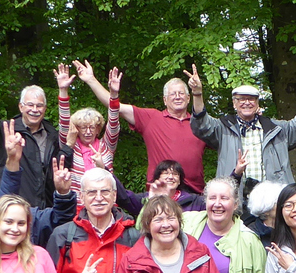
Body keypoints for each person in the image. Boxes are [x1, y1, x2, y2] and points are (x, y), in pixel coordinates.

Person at [75, 61, 208, 196]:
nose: (178, 96)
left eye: (181, 93)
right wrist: (91, 80)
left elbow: (225, 143)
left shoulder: (201, 124)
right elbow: (117, 107)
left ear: (188, 98)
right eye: (173, 94)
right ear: (165, 100)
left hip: (194, 193)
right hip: (159, 191)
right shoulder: (151, 118)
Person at [188, 68, 296, 183]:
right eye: (241, 99)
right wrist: (197, 94)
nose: (246, 102)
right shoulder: (223, 128)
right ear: (234, 103)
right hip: (235, 199)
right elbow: (202, 124)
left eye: (251, 99)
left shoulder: (276, 129)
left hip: (272, 200)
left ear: (257, 103)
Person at [0, 83, 64, 209]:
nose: (34, 110)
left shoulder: (52, 136)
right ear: (21, 107)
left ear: (45, 108)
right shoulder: (6, 130)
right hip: (13, 208)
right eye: (30, 105)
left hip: (45, 211)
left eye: (39, 106)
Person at [56, 63, 120, 196]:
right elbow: (63, 122)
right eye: (83, 127)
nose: (88, 131)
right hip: (78, 206)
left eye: (92, 127)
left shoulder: (106, 146)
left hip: (105, 203)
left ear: (98, 129)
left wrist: (114, 94)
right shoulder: (71, 146)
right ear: (77, 129)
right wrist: (63, 90)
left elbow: (113, 122)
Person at [117, 160, 204, 217]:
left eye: (175, 174)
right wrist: (104, 170)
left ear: (179, 181)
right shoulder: (146, 199)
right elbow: (124, 197)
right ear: (158, 178)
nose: (170, 177)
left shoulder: (194, 201)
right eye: (166, 173)